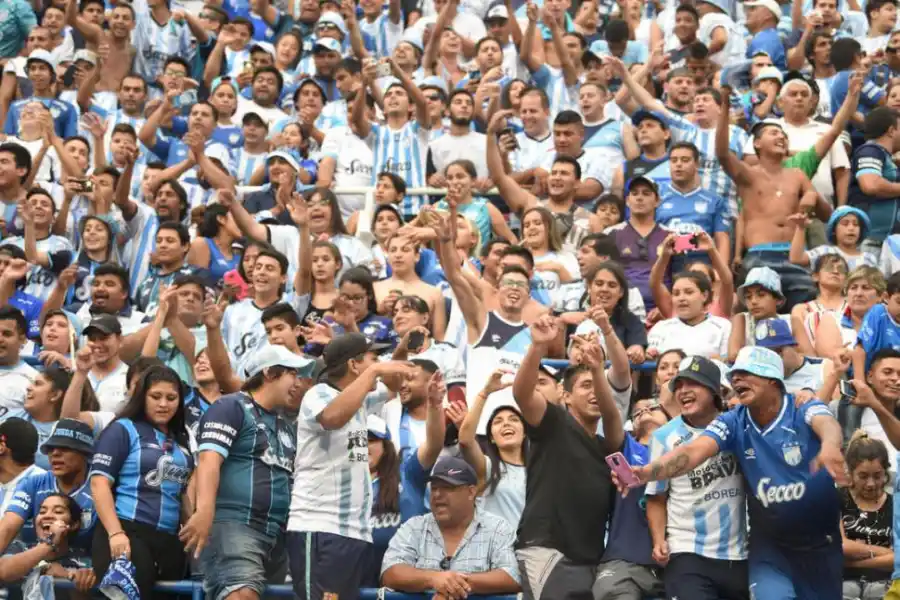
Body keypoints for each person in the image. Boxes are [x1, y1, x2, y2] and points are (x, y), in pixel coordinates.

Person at [627, 346, 849, 600]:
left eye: (746, 373)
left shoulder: (802, 405)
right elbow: (693, 451)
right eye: (734, 375)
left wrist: (831, 446)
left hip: (820, 545)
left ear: (772, 380)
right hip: (769, 550)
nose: (736, 379)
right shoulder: (732, 421)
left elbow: (826, 423)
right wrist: (647, 472)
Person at [181, 344, 313, 600]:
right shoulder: (230, 407)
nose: (298, 383)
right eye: (292, 374)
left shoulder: (285, 424)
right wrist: (204, 510)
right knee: (241, 595)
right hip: (233, 525)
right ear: (269, 373)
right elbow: (209, 460)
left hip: (276, 534)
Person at [288, 333, 413, 600]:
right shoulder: (318, 394)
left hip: (353, 531)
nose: (378, 365)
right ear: (354, 365)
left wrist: (399, 354)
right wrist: (376, 371)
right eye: (373, 358)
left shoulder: (360, 399)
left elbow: (392, 386)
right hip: (320, 527)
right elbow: (332, 417)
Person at [510, 316, 625, 599]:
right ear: (566, 395)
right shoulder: (554, 422)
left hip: (591, 559)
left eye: (598, 388)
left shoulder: (607, 444)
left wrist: (599, 372)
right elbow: (522, 395)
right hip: (548, 550)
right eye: (585, 386)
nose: (595, 393)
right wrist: (537, 347)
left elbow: (612, 416)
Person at [645, 356, 748, 600]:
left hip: (740, 554)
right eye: (678, 385)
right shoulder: (664, 437)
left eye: (693, 384)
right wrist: (659, 540)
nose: (683, 391)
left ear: (715, 390)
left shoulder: (739, 426)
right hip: (687, 552)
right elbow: (656, 497)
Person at [90, 366, 193, 600]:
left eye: (171, 398)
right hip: (127, 532)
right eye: (155, 396)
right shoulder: (122, 429)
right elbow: (99, 483)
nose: (163, 404)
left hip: (169, 542)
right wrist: (116, 534)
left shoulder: (182, 440)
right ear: (142, 397)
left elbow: (183, 494)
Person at [380, 456, 522, 596]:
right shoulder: (414, 527)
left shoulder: (498, 528)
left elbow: (513, 575)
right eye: (434, 488)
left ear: (471, 492)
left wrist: (454, 585)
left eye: (447, 488)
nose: (437, 494)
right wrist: (434, 579)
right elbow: (390, 572)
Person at [0, 493, 95, 591]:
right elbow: (3, 572)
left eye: (58, 512)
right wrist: (49, 544)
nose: (47, 516)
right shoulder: (19, 548)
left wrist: (67, 575)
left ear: (74, 524)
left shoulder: (84, 560)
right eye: (42, 512)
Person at [840, 431, 893, 600]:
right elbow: (841, 547)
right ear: (851, 473)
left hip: (884, 585)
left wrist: (854, 562)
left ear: (885, 473)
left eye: (877, 476)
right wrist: (884, 553)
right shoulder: (837, 498)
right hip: (843, 584)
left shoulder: (896, 505)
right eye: (863, 476)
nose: (871, 484)